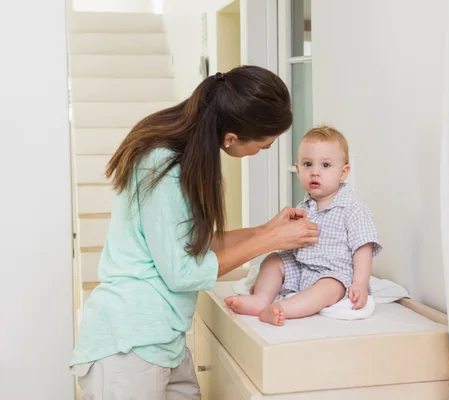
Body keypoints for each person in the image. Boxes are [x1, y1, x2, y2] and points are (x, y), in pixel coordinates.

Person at [70, 66, 319, 400]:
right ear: (230, 137)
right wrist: (271, 241)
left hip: (163, 342)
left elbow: (190, 246)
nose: (268, 150)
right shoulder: (163, 166)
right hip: (129, 345)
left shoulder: (183, 159)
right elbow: (183, 273)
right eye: (263, 145)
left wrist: (265, 230)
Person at [225, 125, 382, 326]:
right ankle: (262, 298)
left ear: (343, 173)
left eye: (325, 165)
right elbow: (292, 242)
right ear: (298, 170)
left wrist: (359, 283)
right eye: (308, 164)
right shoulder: (304, 206)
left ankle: (283, 309)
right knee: (274, 260)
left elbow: (363, 248)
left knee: (328, 289)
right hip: (300, 267)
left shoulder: (353, 208)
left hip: (332, 274)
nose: (315, 172)